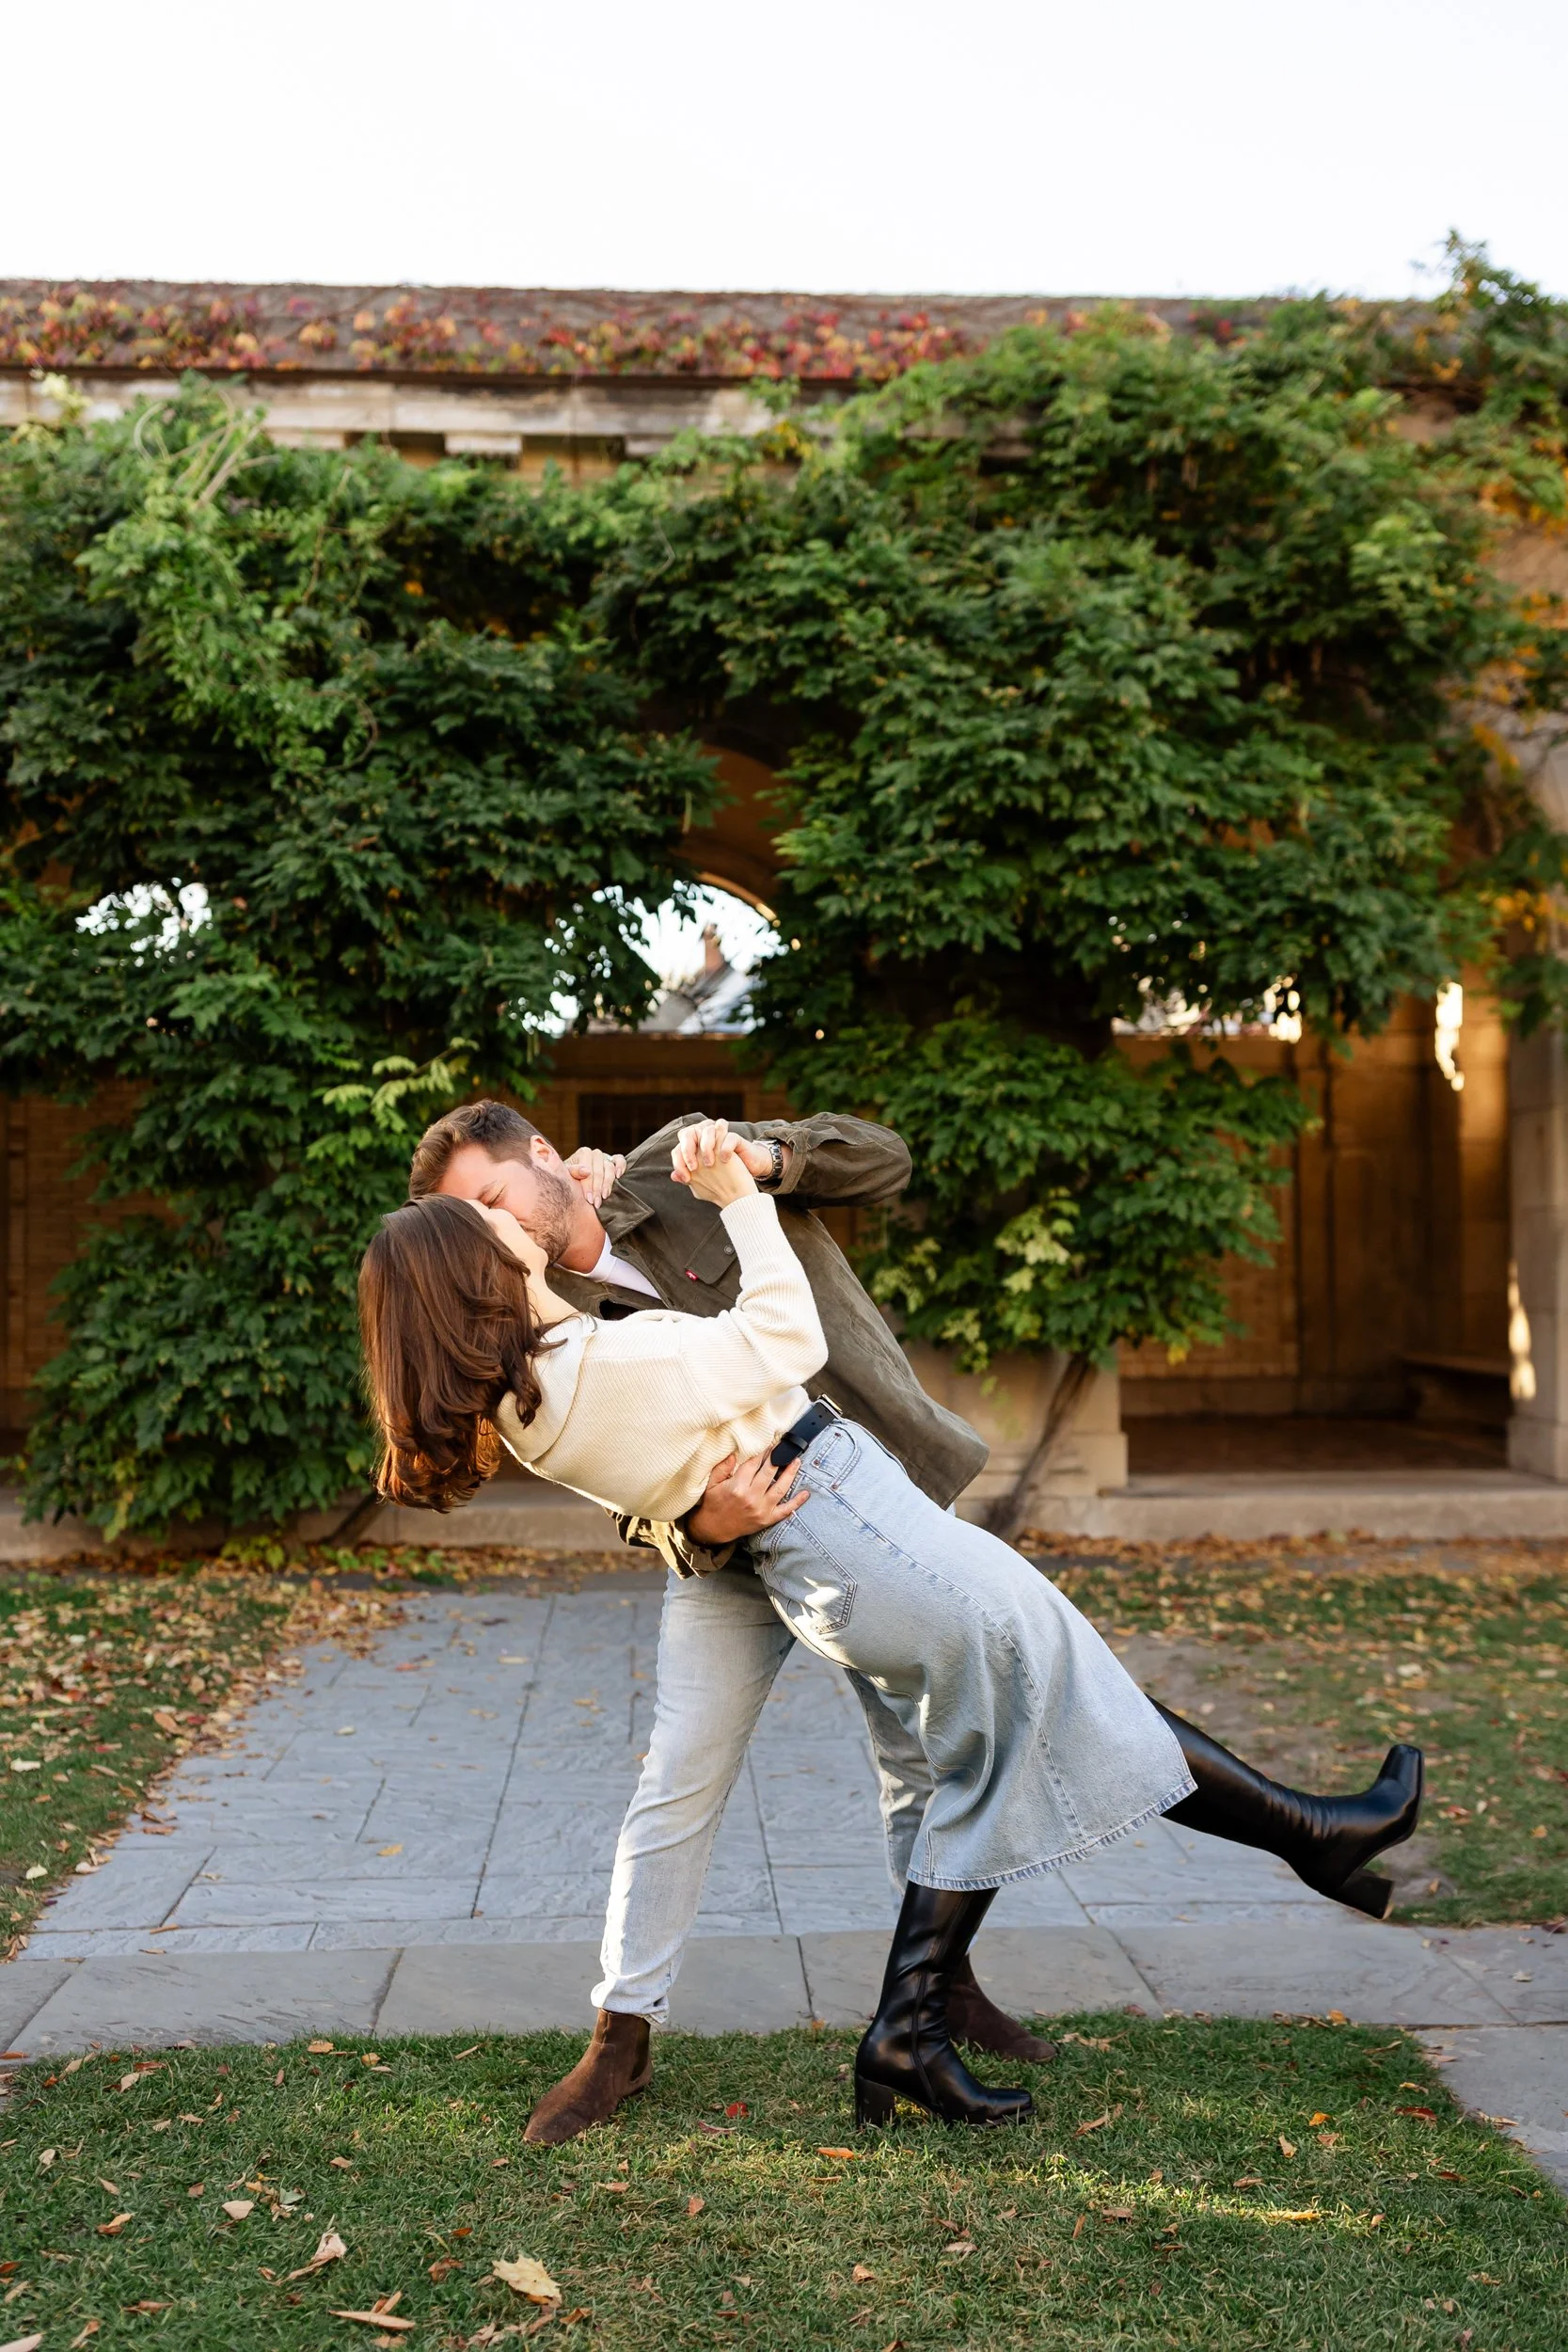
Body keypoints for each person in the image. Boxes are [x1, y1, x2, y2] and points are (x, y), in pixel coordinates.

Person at [363, 1119, 1424, 2134]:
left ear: (544, 1157)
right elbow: (656, 1441)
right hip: (739, 1541)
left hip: (861, 1490)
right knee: (698, 1776)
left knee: (953, 1739)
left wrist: (763, 1163)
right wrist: (694, 1518)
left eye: (491, 1199)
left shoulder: (667, 1167)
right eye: (464, 1223)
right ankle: (630, 2034)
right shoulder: (533, 1321)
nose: (485, 1228)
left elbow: (880, 1160)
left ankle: (949, 1997)